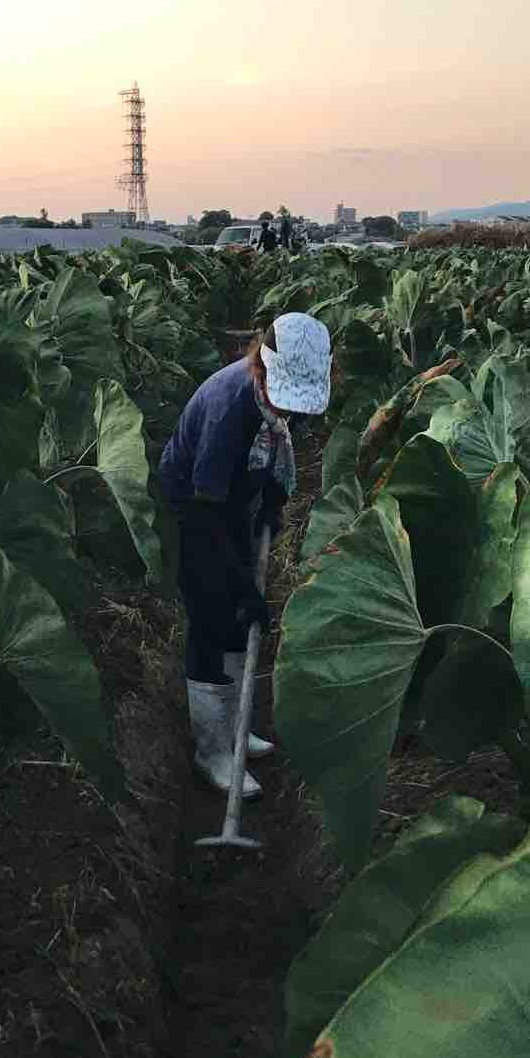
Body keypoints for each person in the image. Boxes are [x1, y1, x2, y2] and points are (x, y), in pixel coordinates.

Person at [158, 313, 333, 796]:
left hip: (231, 500)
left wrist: (271, 507)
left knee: (239, 620)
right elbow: (205, 513)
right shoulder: (230, 407)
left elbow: (276, 452)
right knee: (213, 619)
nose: (292, 409)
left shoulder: (275, 405)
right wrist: (241, 586)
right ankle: (212, 751)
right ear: (263, 369)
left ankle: (236, 732)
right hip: (193, 509)